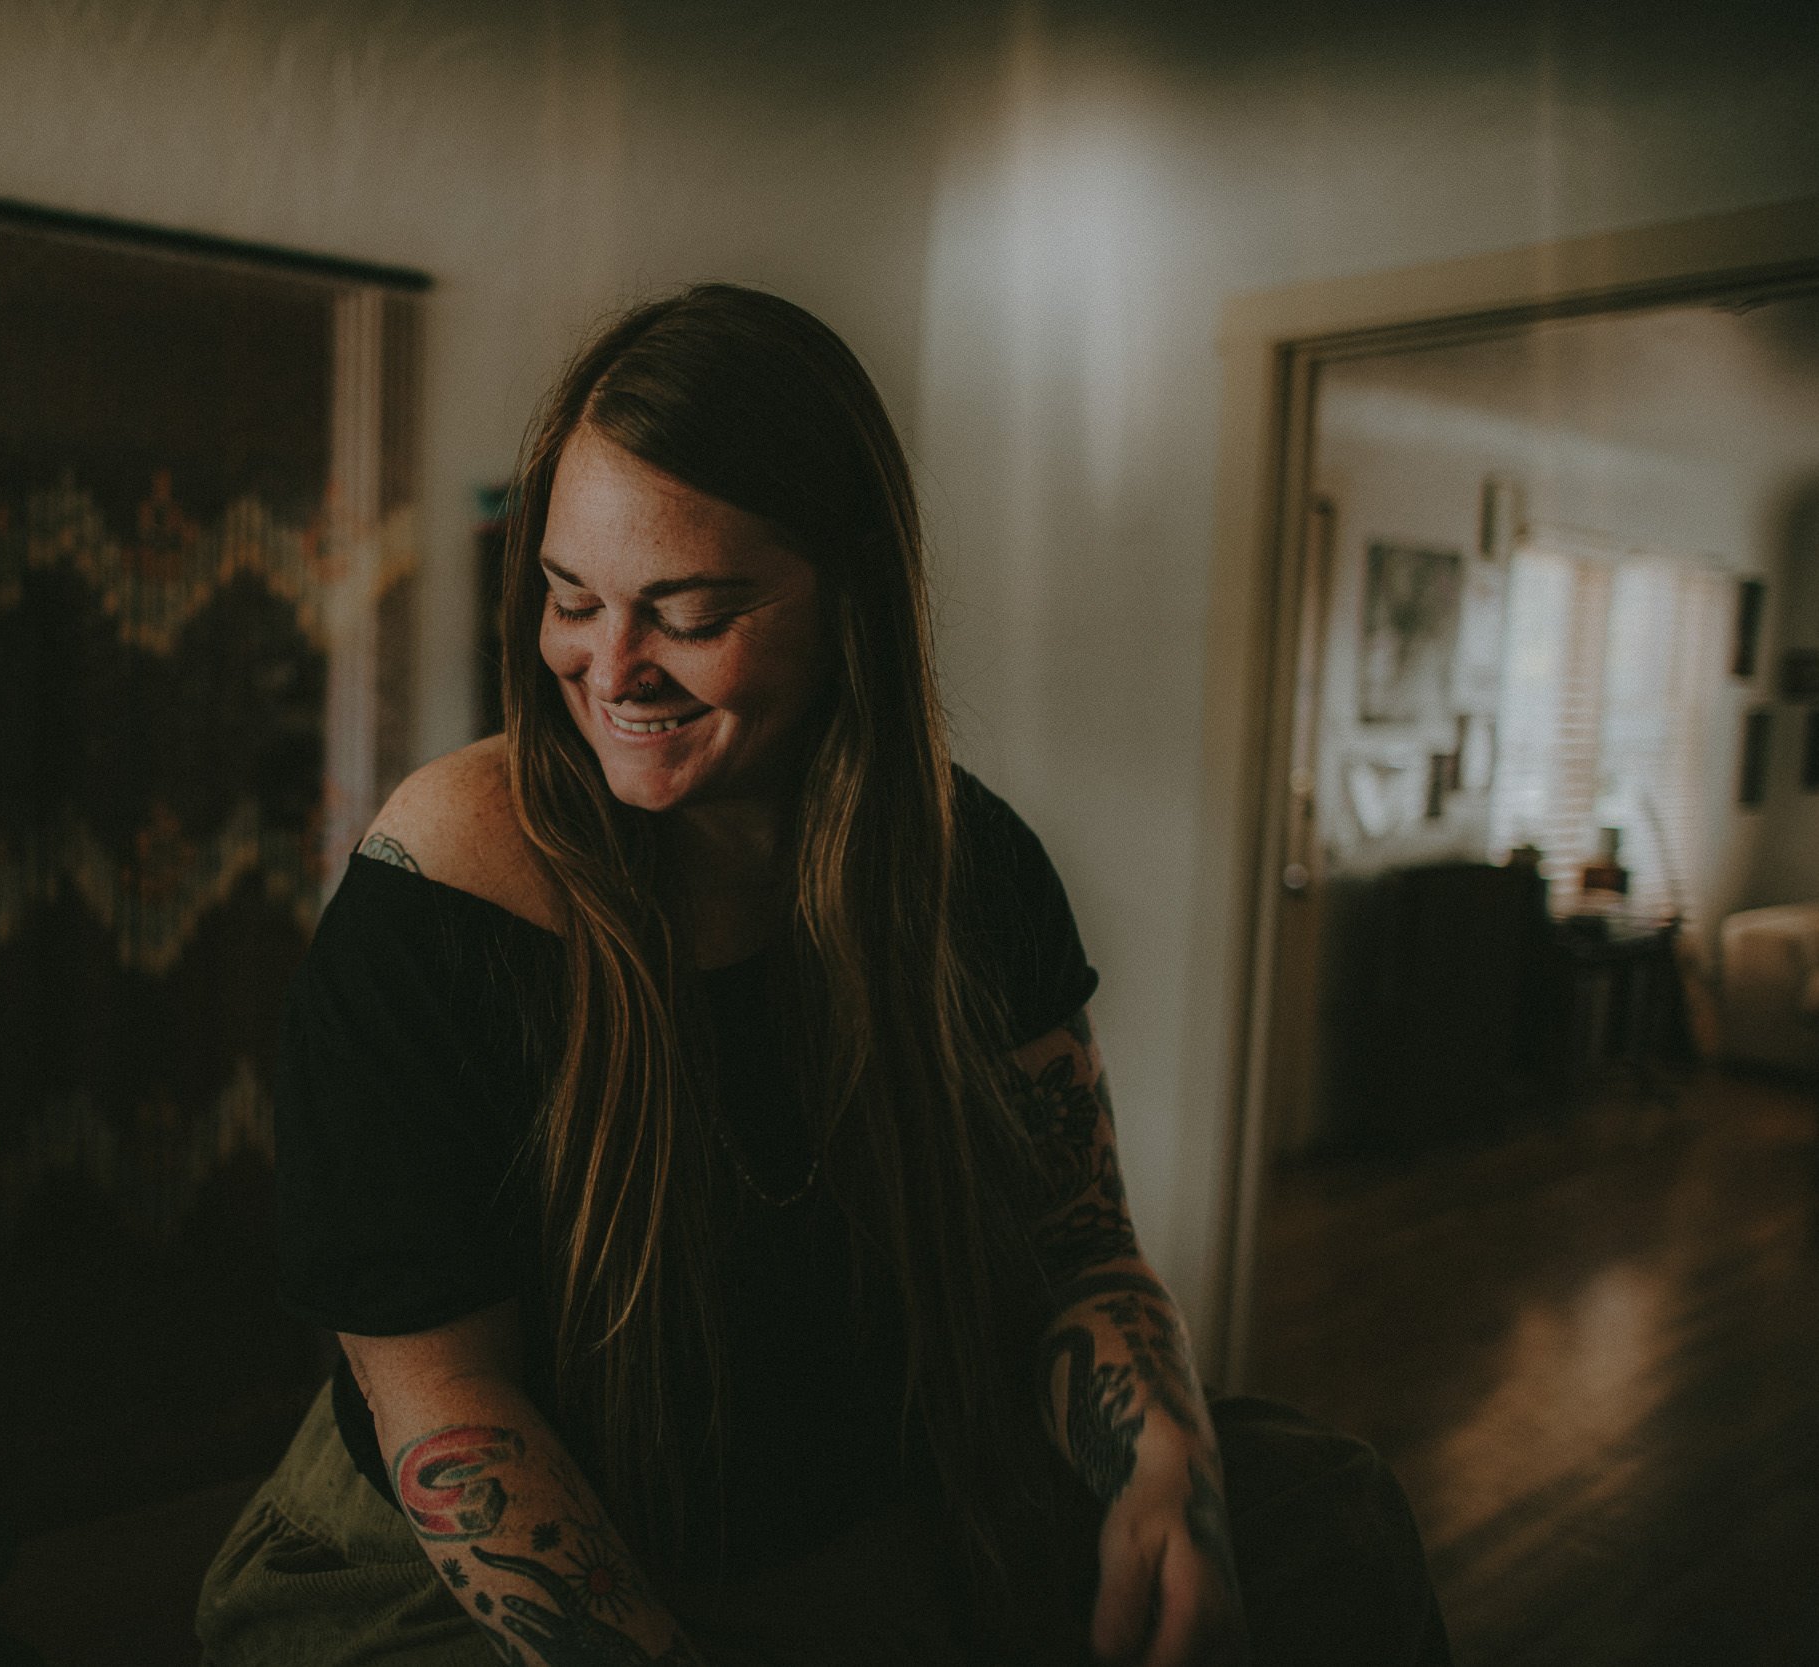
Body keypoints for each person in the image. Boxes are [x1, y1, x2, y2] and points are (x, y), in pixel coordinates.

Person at [199, 285, 1449, 1666]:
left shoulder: (970, 867)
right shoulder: (433, 906)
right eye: (571, 600)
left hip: (851, 1504)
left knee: (1334, 1515)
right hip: (456, 1566)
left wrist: (1171, 1470)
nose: (610, 668)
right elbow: (452, 1407)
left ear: (845, 595)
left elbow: (1080, 1251)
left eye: (690, 612)